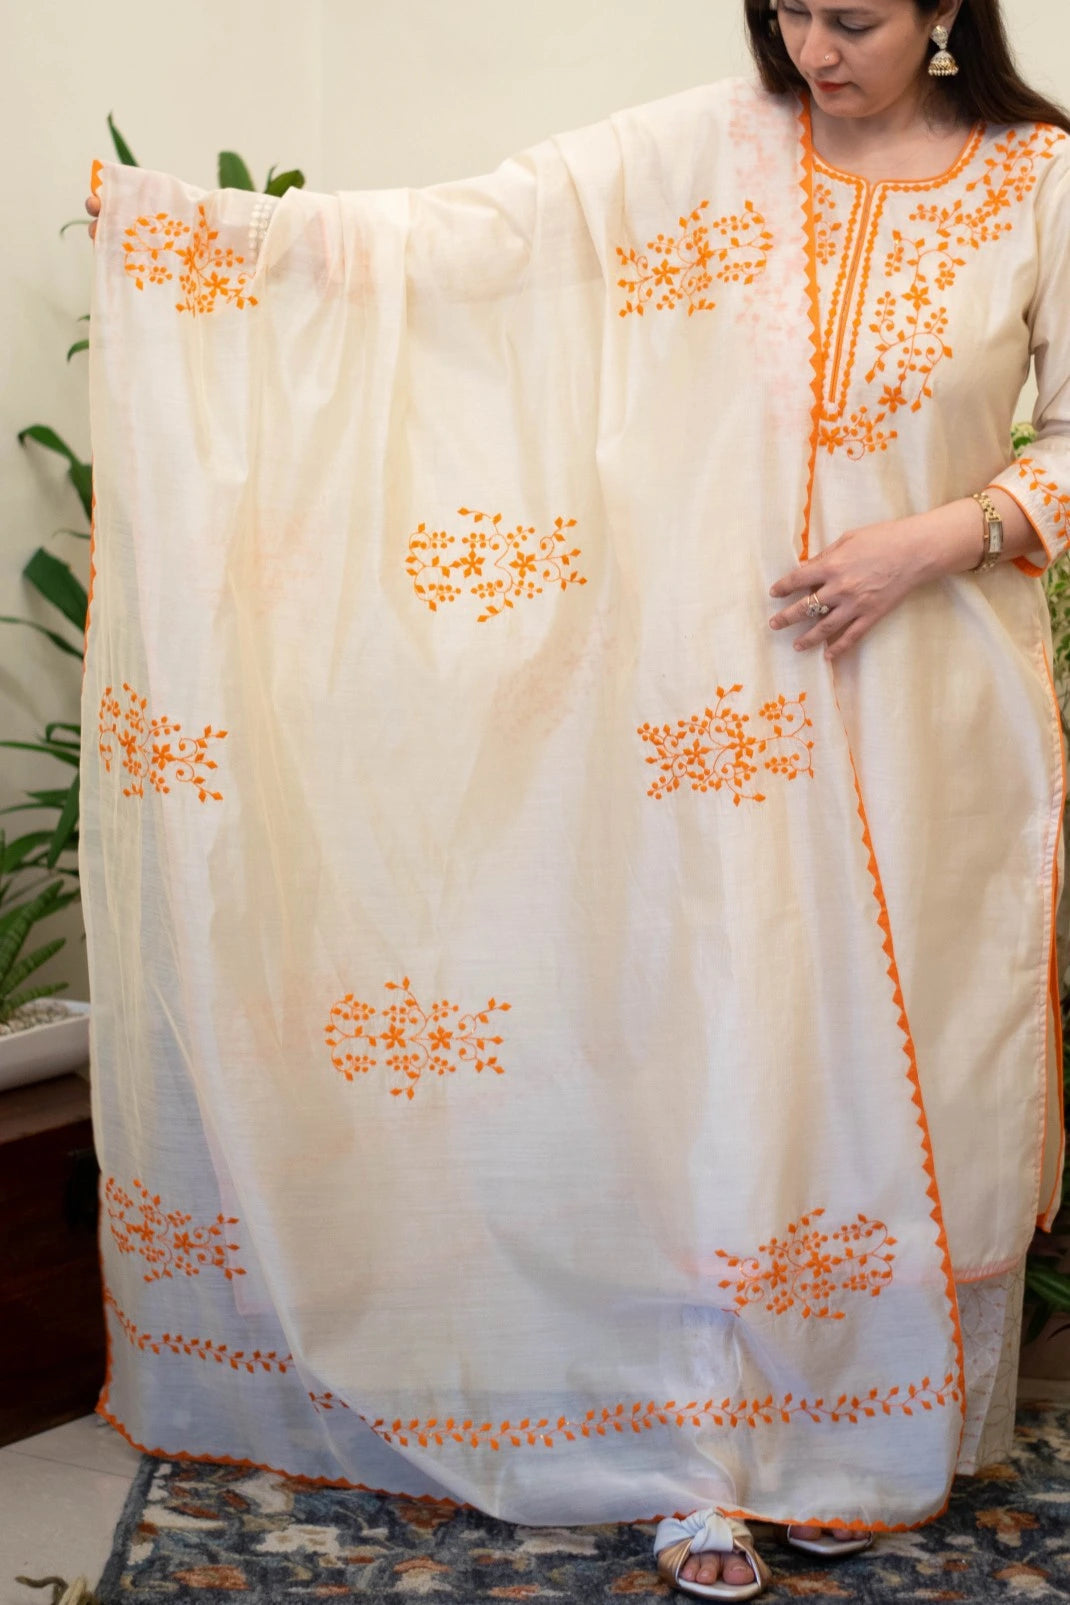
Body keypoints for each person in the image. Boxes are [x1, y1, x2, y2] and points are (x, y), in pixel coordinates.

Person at [84, 1, 1069, 1597]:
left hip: (927, 708)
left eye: (854, 15)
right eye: (786, 12)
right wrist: (195, 235)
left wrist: (936, 535)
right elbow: (471, 242)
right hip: (701, 702)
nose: (814, 49)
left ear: (946, 5)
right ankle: (693, 1456)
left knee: (891, 1070)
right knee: (707, 1068)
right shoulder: (704, 150)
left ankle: (844, 1439)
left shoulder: (1037, 179)